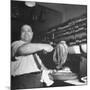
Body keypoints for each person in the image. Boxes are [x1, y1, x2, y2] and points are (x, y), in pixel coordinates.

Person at [11, 24, 54, 89]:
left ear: (32, 34)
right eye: (23, 31)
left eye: (28, 31)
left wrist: (50, 72)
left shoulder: (33, 50)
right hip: (23, 82)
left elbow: (41, 66)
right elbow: (22, 50)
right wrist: (45, 46)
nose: (26, 33)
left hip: (38, 82)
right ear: (20, 34)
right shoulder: (15, 44)